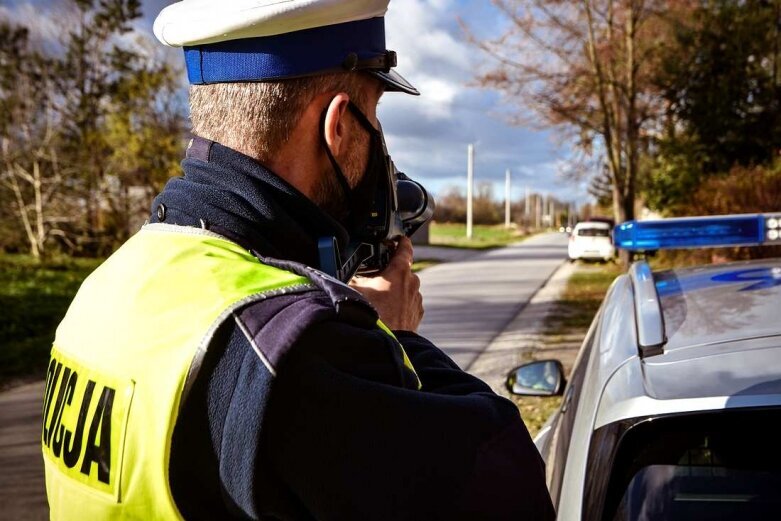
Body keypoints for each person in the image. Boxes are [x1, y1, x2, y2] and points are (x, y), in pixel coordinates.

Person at [41, 1, 555, 519]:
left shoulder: (108, 283)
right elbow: (513, 492)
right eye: (373, 116)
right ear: (337, 124)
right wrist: (397, 338)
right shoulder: (300, 347)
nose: (378, 139)